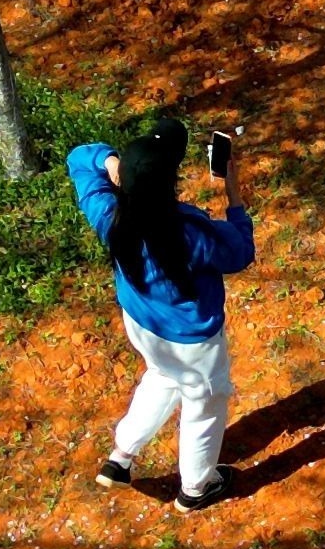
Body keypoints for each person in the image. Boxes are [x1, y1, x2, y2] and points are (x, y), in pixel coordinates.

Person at [68, 120, 251, 509]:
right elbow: (240, 253)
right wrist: (234, 194)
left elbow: (79, 158)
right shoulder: (190, 232)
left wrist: (109, 161)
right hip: (194, 345)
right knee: (204, 404)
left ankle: (121, 457)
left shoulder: (109, 216)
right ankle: (196, 488)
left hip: (143, 326)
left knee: (163, 376)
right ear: (170, 184)